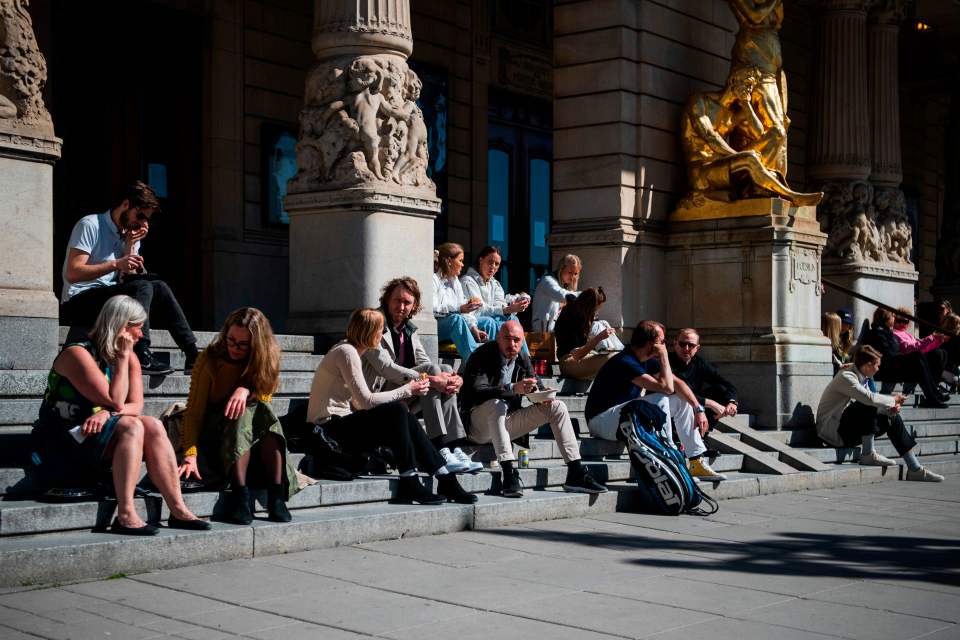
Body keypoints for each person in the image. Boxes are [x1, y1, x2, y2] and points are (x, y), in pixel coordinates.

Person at [30, 296, 209, 535]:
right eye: (139, 327)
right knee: (131, 427)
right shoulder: (78, 354)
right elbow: (115, 400)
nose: (142, 335)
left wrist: (106, 413)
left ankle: (177, 508)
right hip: (63, 443)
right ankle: (125, 514)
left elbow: (135, 405)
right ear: (122, 326)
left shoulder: (130, 357)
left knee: (153, 425)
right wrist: (123, 360)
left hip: (94, 437)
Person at [307, 308, 476, 504]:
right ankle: (415, 480)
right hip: (328, 432)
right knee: (397, 410)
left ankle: (443, 476)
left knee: (401, 413)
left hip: (342, 425)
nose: (382, 335)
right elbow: (366, 401)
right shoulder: (346, 352)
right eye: (381, 330)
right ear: (371, 332)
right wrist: (407, 390)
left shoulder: (352, 352)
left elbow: (358, 402)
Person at [59, 181, 200, 375]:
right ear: (126, 205)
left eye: (146, 219)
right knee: (143, 287)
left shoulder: (128, 235)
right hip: (78, 301)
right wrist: (117, 263)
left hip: (109, 301)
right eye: (140, 215)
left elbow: (130, 281)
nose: (142, 223)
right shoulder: (91, 224)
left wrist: (130, 247)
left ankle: (192, 354)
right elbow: (73, 273)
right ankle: (141, 351)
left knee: (157, 285)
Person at [178, 307, 300, 525]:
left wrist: (245, 389)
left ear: (257, 346)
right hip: (216, 434)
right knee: (248, 411)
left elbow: (265, 396)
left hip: (251, 439)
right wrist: (190, 453)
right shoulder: (210, 358)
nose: (234, 348)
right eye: (230, 340)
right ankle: (239, 494)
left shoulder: (267, 357)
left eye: (242, 345)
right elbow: (194, 410)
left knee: (260, 410)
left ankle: (276, 497)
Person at [460, 320, 607, 497]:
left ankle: (575, 471)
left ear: (522, 342)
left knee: (557, 407)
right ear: (498, 338)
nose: (511, 344)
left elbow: (537, 384)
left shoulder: (522, 357)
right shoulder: (482, 355)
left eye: (516, 340)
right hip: (478, 426)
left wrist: (542, 395)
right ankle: (508, 473)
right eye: (507, 338)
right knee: (496, 404)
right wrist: (513, 388)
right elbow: (477, 391)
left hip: (505, 423)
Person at [362, 277, 482, 472]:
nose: (401, 306)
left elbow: (426, 362)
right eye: (397, 300)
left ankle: (452, 447)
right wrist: (431, 379)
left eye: (407, 302)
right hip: (377, 397)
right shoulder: (374, 322)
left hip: (403, 394)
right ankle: (440, 446)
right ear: (386, 299)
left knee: (443, 369)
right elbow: (386, 367)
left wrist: (453, 377)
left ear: (414, 305)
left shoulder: (408, 329)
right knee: (432, 373)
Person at [585, 320, 726, 481]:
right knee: (660, 397)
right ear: (651, 343)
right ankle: (670, 456)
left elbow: (677, 384)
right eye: (662, 341)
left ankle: (696, 461)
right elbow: (666, 388)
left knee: (682, 400)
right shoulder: (625, 361)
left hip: (624, 418)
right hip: (601, 421)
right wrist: (664, 356)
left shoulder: (646, 360)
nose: (664, 345)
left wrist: (698, 408)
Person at [816, 345, 943, 482]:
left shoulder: (861, 374)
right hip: (832, 433)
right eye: (877, 365)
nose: (878, 369)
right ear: (868, 365)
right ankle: (868, 454)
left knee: (892, 417)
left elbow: (871, 400)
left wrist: (889, 409)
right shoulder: (846, 376)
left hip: (846, 429)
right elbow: (869, 399)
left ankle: (915, 468)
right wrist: (893, 399)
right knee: (868, 403)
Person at [861, 307, 949, 408]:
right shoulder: (878, 333)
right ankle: (933, 396)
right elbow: (888, 355)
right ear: (886, 318)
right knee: (917, 356)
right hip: (884, 369)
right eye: (892, 317)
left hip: (891, 365)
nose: (894, 319)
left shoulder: (886, 332)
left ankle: (933, 396)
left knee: (921, 358)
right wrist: (905, 358)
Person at [460, 245, 531, 353]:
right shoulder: (467, 281)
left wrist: (518, 299)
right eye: (490, 262)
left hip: (491, 319)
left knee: (513, 320)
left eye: (496, 264)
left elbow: (500, 303)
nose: (493, 267)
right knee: (490, 322)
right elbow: (478, 309)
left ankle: (524, 363)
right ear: (481, 260)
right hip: (472, 321)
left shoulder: (494, 283)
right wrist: (506, 310)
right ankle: (494, 362)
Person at [668, 328, 739, 432]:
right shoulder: (667, 362)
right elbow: (678, 392)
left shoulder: (699, 363)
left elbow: (725, 384)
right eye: (682, 344)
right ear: (675, 344)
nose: (686, 348)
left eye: (691, 345)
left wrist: (732, 402)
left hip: (695, 405)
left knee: (720, 390)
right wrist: (710, 403)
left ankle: (703, 433)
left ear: (697, 348)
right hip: (674, 405)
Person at [554, 287, 623, 381]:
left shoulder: (578, 314)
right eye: (597, 309)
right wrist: (599, 338)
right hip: (568, 362)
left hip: (582, 358)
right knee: (612, 358)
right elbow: (576, 355)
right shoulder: (571, 318)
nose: (597, 312)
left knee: (620, 358)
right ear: (591, 307)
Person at [433, 242, 486, 359]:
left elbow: (462, 308)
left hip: (453, 323)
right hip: (436, 326)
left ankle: (489, 358)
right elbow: (433, 308)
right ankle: (476, 362)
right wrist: (458, 309)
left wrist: (473, 327)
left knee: (488, 322)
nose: (462, 265)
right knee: (456, 319)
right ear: (449, 261)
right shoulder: (434, 279)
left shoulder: (455, 281)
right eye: (460, 260)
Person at [530, 254, 581, 333]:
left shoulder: (564, 285)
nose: (572, 277)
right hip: (542, 332)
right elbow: (561, 295)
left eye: (575, 274)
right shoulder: (548, 281)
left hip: (554, 332)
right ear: (561, 269)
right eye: (570, 272)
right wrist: (584, 294)